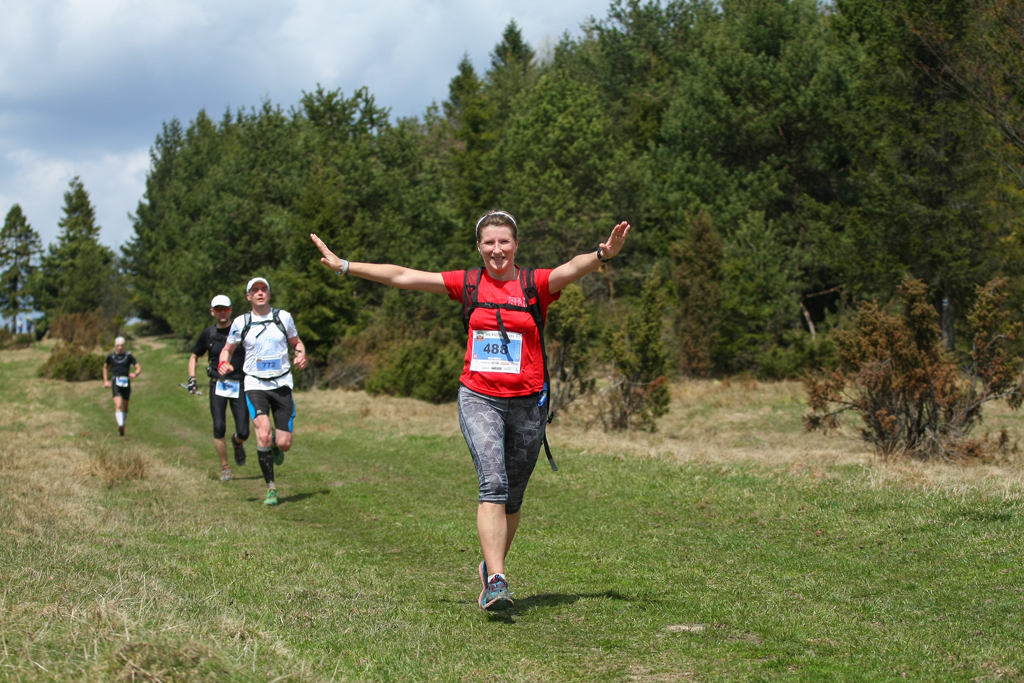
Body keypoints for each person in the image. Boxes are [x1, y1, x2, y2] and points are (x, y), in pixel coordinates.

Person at [310, 210, 632, 611]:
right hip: (480, 397)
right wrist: (345, 266)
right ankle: (497, 580)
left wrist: (602, 255)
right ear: (478, 247)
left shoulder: (534, 284)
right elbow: (403, 275)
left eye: (504, 241)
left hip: (529, 403)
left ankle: (490, 566)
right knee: (493, 483)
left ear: (516, 245)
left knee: (513, 496)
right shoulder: (467, 283)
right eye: (489, 242)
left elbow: (571, 268)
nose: (497, 249)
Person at [218, 278, 308, 506]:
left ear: (268, 294)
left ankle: (277, 444)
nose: (260, 293)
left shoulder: (283, 317)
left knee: (284, 443)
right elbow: (227, 349)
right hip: (255, 385)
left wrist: (300, 355)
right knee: (263, 434)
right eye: (255, 290)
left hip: (282, 383)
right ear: (248, 296)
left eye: (263, 289)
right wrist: (223, 363)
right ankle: (271, 489)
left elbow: (296, 343)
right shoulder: (241, 322)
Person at [187, 295, 250, 482]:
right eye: (218, 309)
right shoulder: (208, 334)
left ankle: (237, 442)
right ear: (212, 312)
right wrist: (192, 378)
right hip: (218, 384)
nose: (222, 312)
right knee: (219, 426)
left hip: (239, 383)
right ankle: (225, 467)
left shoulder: (241, 331)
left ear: (231, 310)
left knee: (244, 431)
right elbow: (194, 356)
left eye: (225, 309)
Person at [103, 337, 142, 437]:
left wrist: (135, 374)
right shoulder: (111, 357)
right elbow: (105, 367)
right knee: (118, 405)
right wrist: (106, 380)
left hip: (126, 382)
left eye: (122, 345)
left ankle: (122, 425)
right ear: (115, 346)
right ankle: (120, 424)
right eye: (118, 345)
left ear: (124, 346)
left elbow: (138, 367)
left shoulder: (128, 356)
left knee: (125, 407)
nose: (120, 347)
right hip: (116, 381)